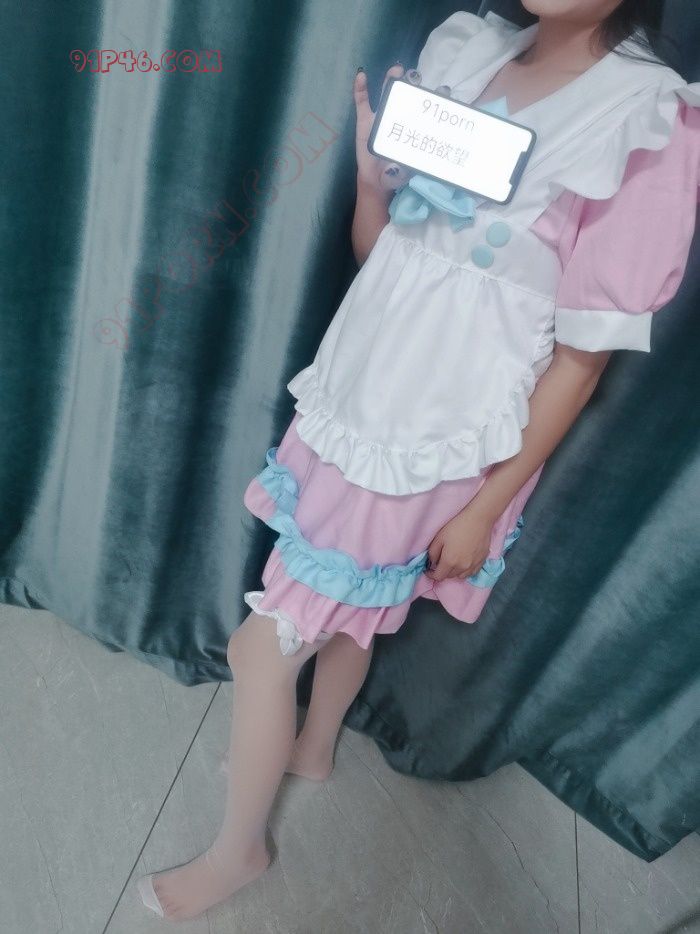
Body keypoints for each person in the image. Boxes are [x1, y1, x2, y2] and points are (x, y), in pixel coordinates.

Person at [138, 1, 700, 921]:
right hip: (361, 396)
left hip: (439, 439)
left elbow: (581, 361)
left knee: (262, 645)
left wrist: (482, 509)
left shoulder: (642, 118)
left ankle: (240, 850)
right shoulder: (470, 53)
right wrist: (372, 188)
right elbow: (392, 260)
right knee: (355, 616)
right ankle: (314, 747)